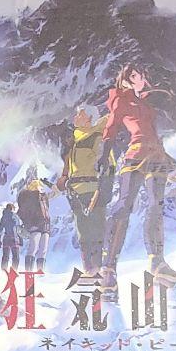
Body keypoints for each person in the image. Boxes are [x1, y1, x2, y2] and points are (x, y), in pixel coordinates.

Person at [96, 63, 176, 298]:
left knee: (156, 205)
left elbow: (153, 133)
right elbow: (111, 127)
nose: (140, 79)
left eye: (142, 75)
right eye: (135, 75)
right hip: (135, 154)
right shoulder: (120, 99)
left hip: (156, 155)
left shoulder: (145, 104)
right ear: (125, 79)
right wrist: (104, 155)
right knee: (124, 205)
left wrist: (166, 156)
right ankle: (108, 269)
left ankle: (158, 264)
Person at [57, 107, 113, 278]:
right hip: (76, 193)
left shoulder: (97, 138)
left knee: (96, 232)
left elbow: (106, 164)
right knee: (83, 234)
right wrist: (64, 178)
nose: (76, 117)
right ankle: (89, 271)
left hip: (93, 191)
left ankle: (98, 271)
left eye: (80, 114)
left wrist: (104, 187)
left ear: (90, 118)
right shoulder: (74, 141)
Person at [16, 171, 57, 273]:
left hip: (44, 226)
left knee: (41, 249)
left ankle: (38, 271)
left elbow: (57, 192)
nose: (40, 188)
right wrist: (48, 184)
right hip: (37, 225)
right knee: (36, 249)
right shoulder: (30, 197)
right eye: (38, 186)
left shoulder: (43, 197)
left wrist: (48, 183)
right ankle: (30, 271)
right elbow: (56, 192)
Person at [0, 203, 23, 272]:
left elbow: (0, 229)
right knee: (15, 257)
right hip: (14, 239)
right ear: (12, 208)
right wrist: (21, 239)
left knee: (5, 257)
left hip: (6, 239)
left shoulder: (3, 217)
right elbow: (18, 229)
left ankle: (3, 271)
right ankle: (13, 272)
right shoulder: (15, 216)